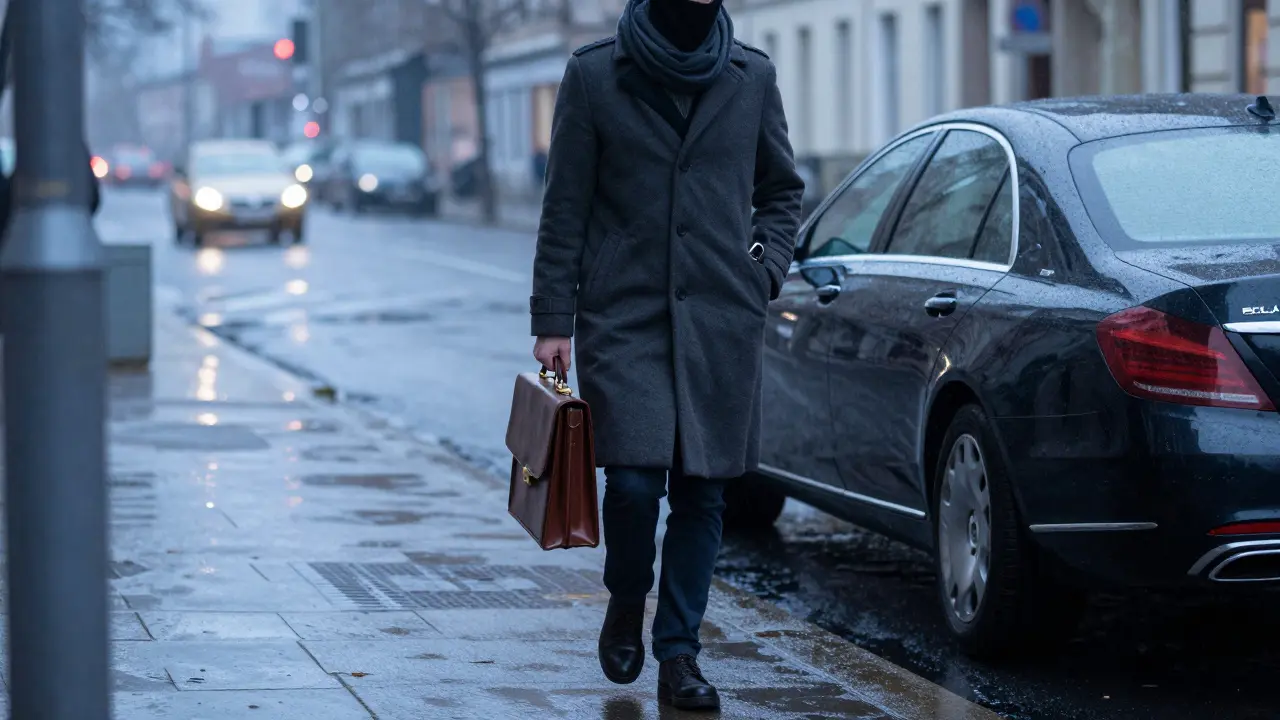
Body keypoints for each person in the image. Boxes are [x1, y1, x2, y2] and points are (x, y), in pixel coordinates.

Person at [529, 0, 803, 710]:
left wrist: (762, 269)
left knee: (705, 491)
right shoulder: (595, 76)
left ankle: (679, 652)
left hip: (719, 315)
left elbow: (780, 192)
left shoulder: (751, 76)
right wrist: (553, 317)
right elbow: (565, 206)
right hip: (625, 313)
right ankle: (627, 598)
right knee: (633, 485)